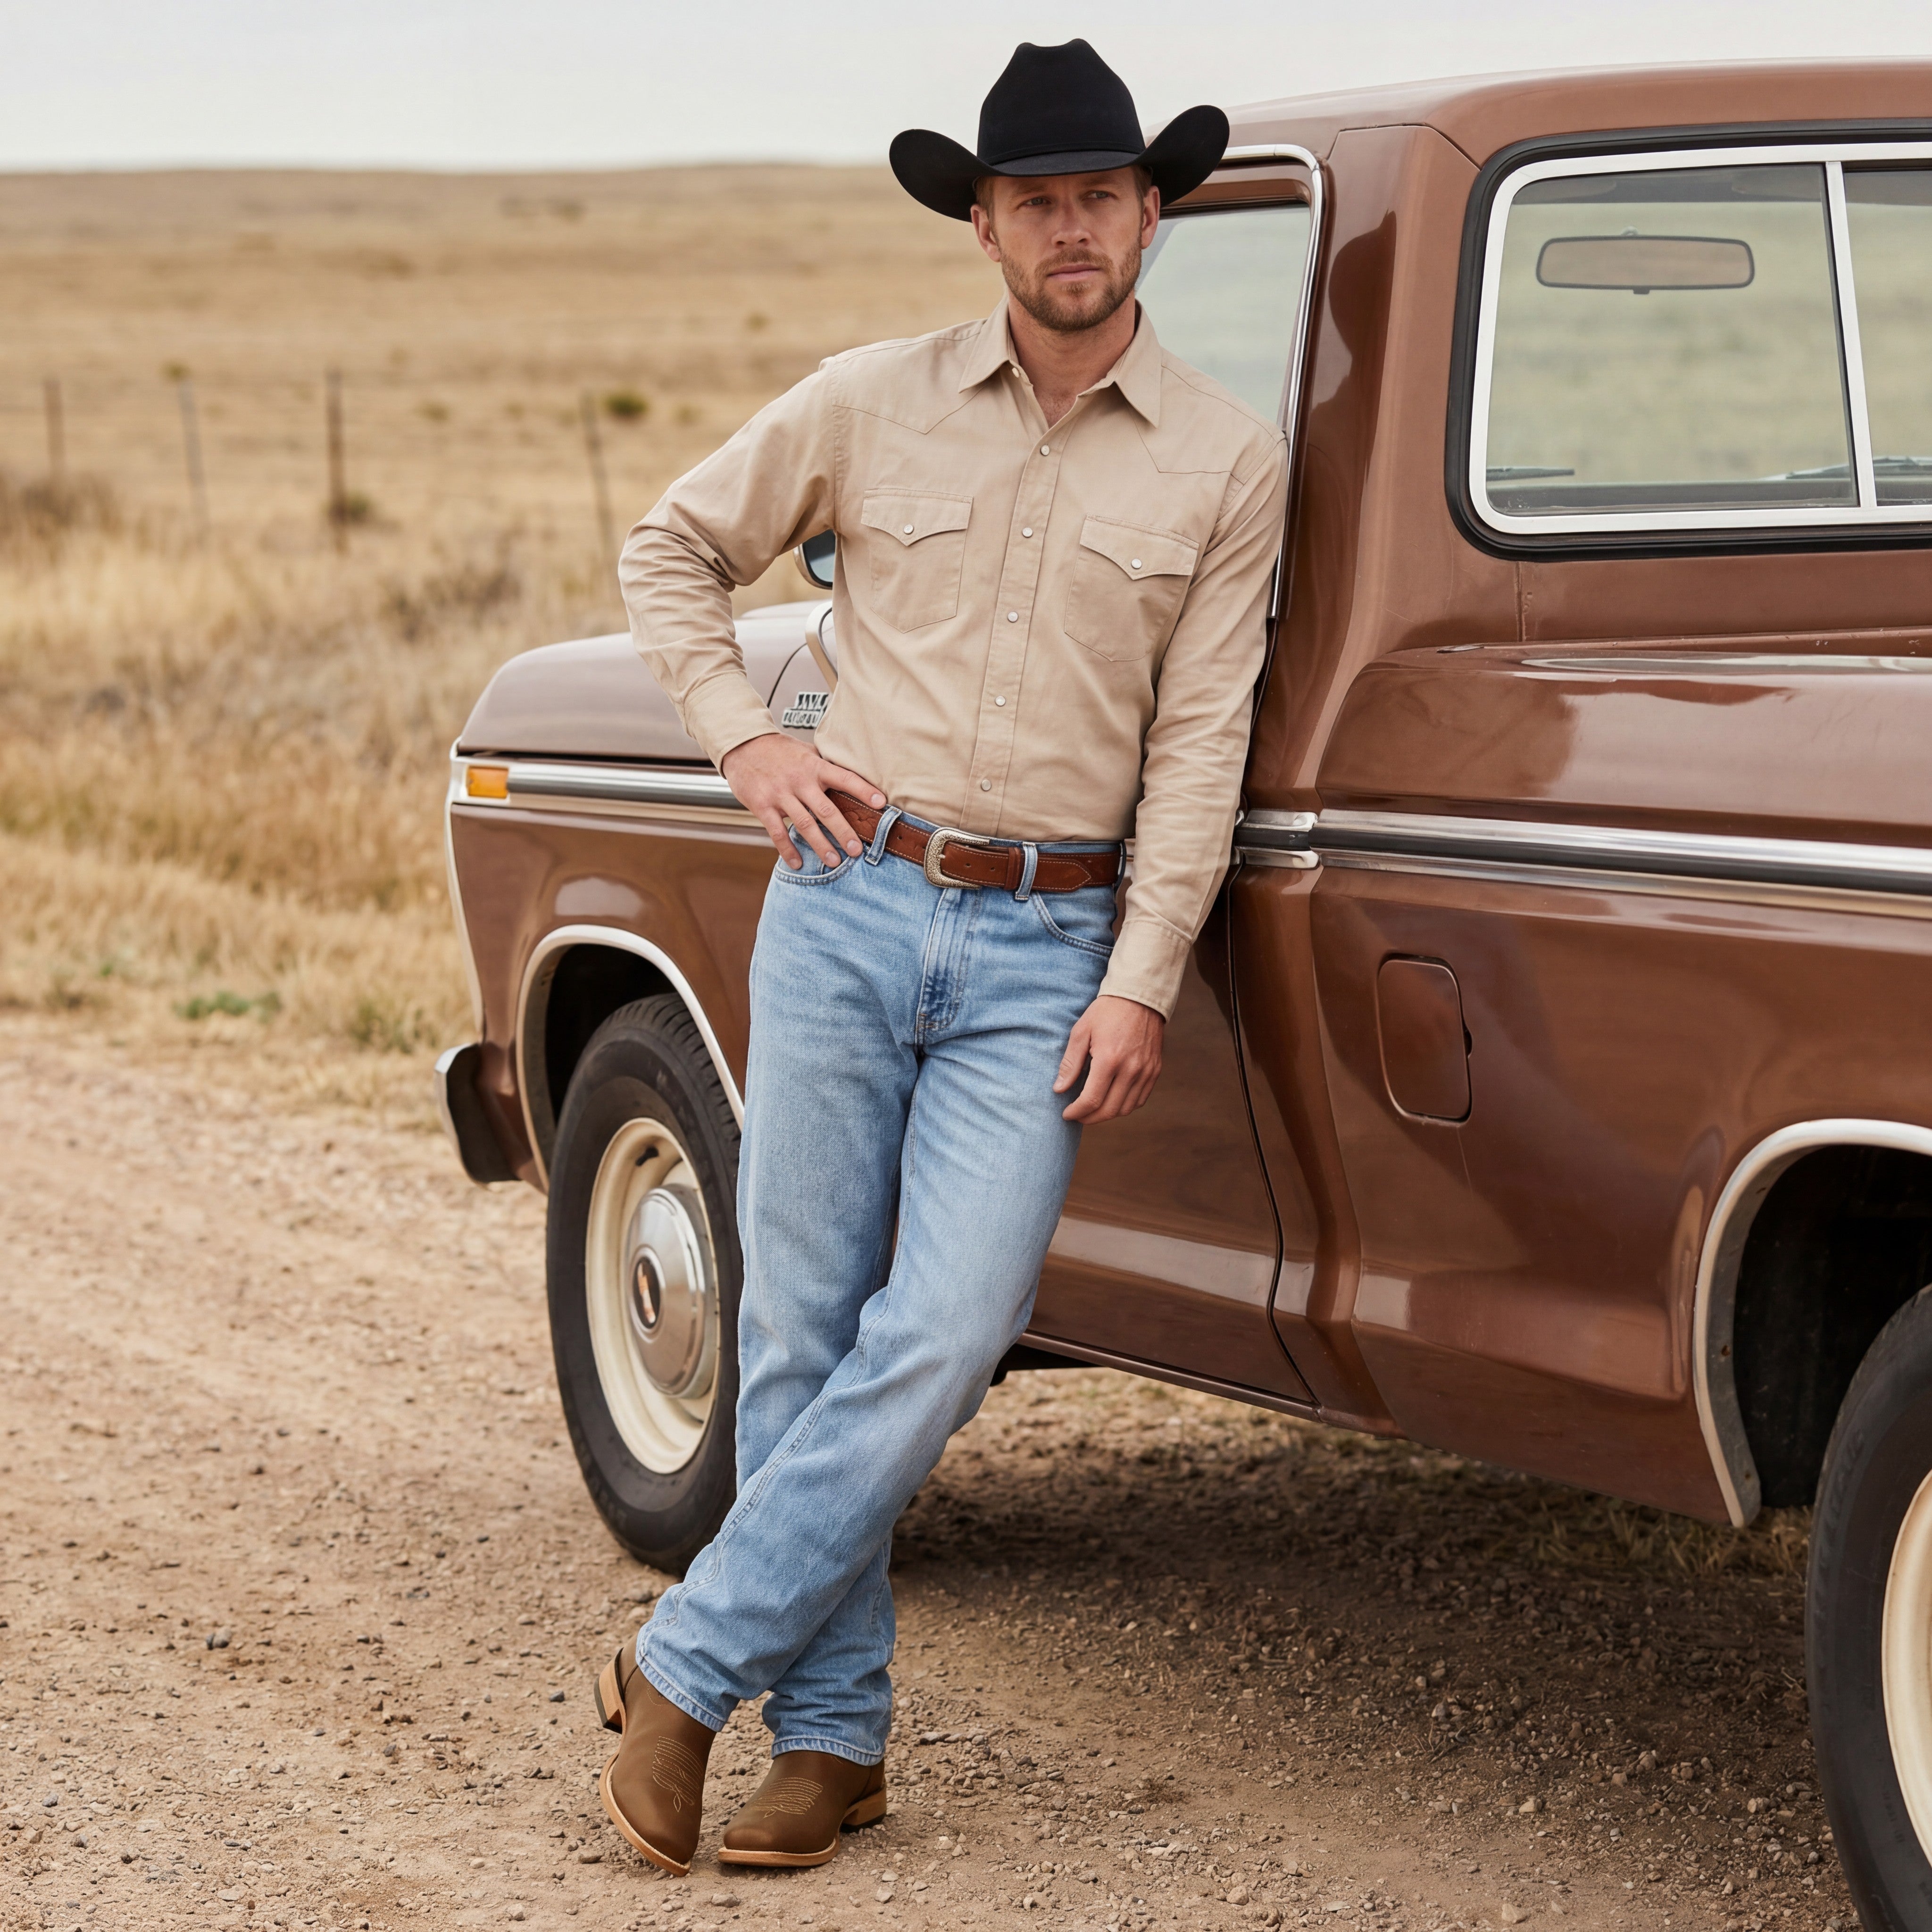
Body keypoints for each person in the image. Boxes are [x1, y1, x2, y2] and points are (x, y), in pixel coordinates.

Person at [598, 36, 1288, 1877]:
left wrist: (1141, 970)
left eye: (1105, 195)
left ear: (1155, 212)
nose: (1074, 229)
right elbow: (669, 549)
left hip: (1045, 943)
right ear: (982, 223)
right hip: (845, 902)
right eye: (1037, 199)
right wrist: (745, 733)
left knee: (953, 1323)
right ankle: (829, 1743)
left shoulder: (1228, 459)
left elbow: (1202, 740)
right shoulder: (867, 400)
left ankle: (684, 1663)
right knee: (800, 1332)